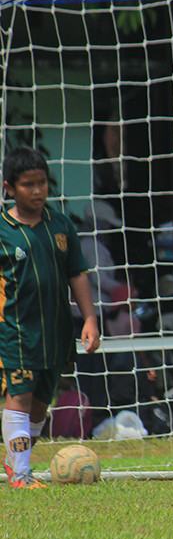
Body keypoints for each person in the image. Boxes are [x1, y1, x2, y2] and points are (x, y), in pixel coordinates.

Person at [1, 147, 101, 488]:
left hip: (56, 329)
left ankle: (17, 458)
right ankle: (21, 472)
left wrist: (89, 319)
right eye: (28, 184)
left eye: (42, 182)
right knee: (20, 394)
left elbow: (78, 274)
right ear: (10, 188)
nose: (38, 190)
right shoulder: (4, 230)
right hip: (15, 329)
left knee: (42, 404)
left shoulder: (60, 224)